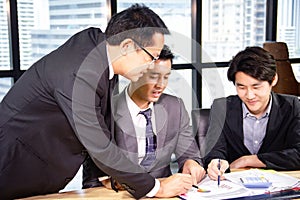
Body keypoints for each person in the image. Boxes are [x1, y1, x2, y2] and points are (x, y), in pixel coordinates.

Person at [0, 4, 194, 200]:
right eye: (152, 57)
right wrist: (156, 188)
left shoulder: (102, 53)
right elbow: (99, 144)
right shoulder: (81, 73)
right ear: (127, 46)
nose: (153, 65)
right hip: (13, 167)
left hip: (41, 167)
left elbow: (102, 123)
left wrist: (115, 176)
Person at [82, 45, 206, 190]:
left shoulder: (175, 107)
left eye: (166, 77)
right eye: (154, 76)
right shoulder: (105, 112)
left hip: (167, 193)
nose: (161, 85)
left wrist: (191, 163)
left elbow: (189, 154)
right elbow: (94, 178)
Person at [203, 46, 300, 181]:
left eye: (256, 87)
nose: (249, 95)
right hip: (234, 186)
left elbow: (298, 153)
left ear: (273, 80)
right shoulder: (221, 107)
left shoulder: (293, 106)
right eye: (241, 87)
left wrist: (249, 160)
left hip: (278, 185)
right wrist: (216, 162)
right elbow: (214, 149)